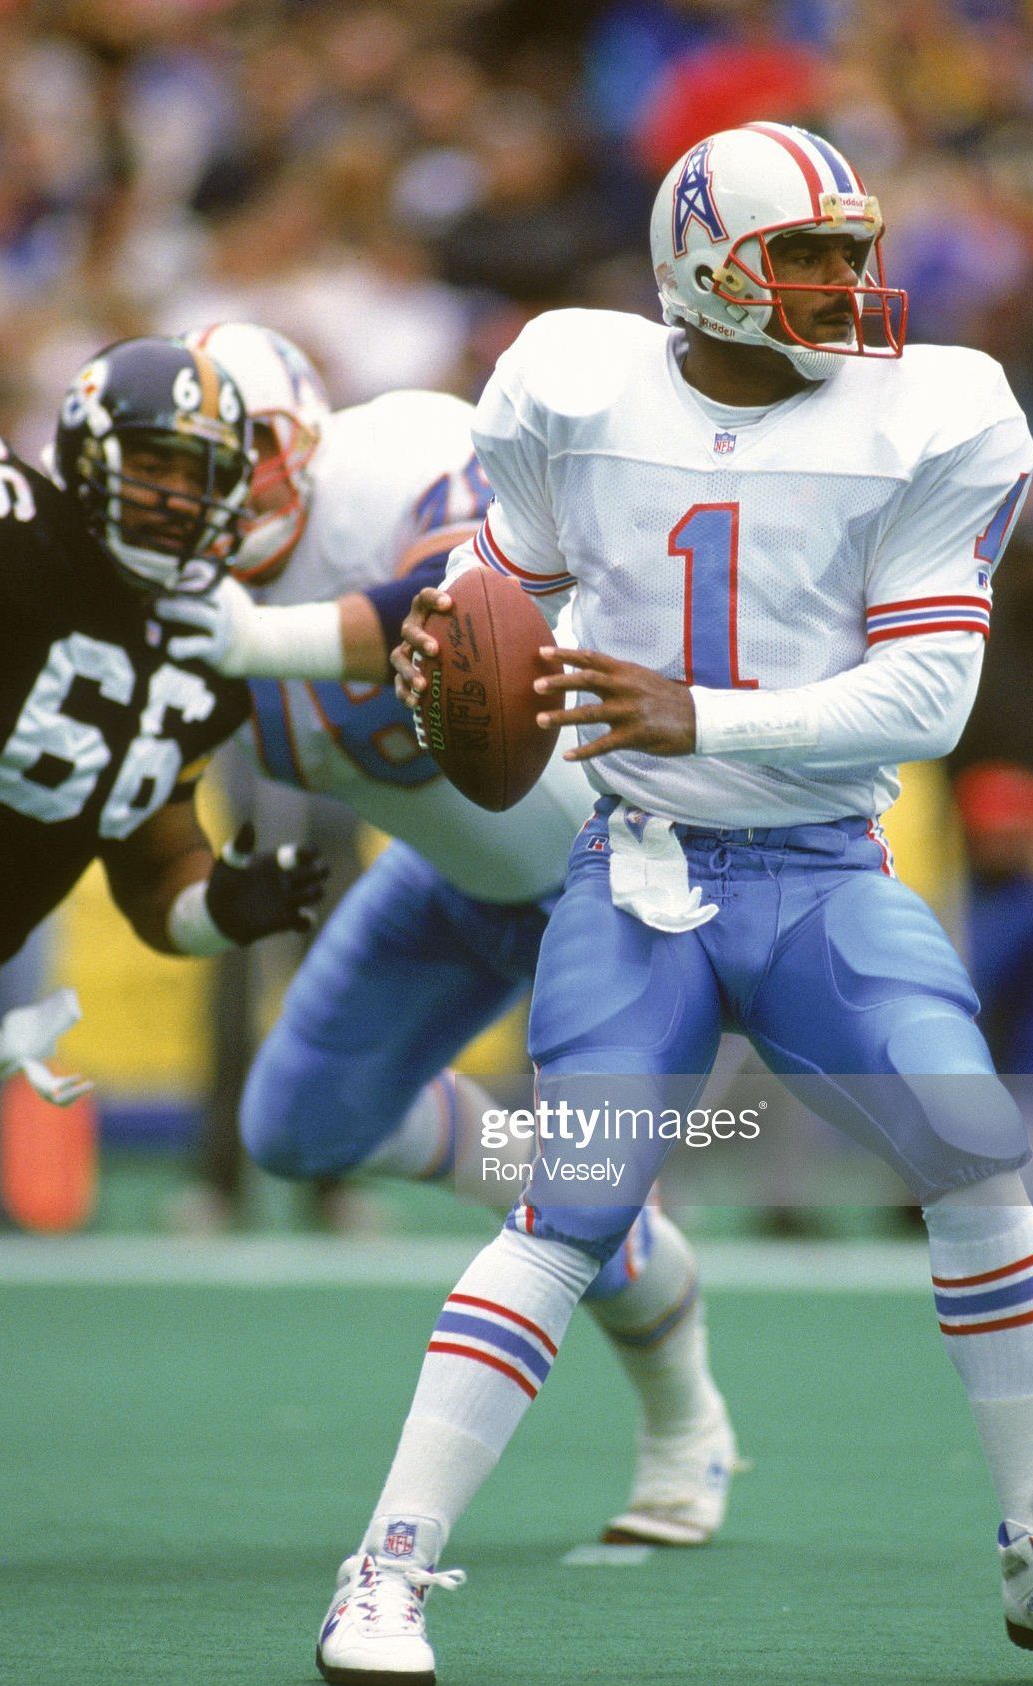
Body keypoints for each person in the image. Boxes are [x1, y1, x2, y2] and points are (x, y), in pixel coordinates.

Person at [342, 122, 1033, 1686]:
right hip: (641, 872)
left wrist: (702, 716)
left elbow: (931, 695)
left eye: (854, 250)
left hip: (821, 875)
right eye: (805, 255)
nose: (848, 284)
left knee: (977, 1156)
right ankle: (386, 1567)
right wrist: (443, 652)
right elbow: (503, 595)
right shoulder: (573, 384)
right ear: (698, 266)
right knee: (573, 1204)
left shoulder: (939, 413)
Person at [153, 321, 742, 1553]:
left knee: (587, 1214)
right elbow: (135, 789)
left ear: (302, 442)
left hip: (607, 878)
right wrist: (204, 905)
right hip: (452, 877)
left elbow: (456, 614)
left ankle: (689, 1428)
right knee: (296, 1125)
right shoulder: (158, 588)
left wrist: (258, 640)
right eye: (187, 463)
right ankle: (544, 1170)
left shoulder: (401, 455)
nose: (215, 491)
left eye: (239, 454)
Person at [0, 335, 328, 1164]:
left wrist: (215, 910)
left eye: (201, 475)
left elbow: (155, 862)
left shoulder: (208, 655)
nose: (177, 496)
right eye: (153, 462)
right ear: (82, 447)